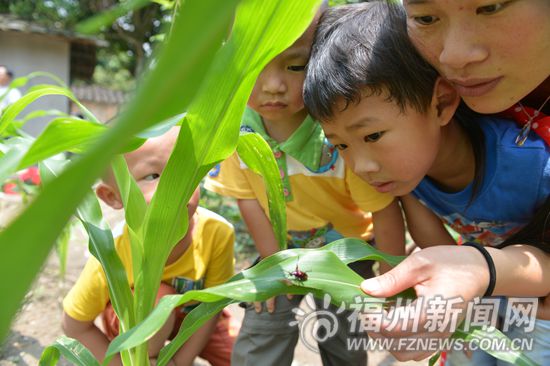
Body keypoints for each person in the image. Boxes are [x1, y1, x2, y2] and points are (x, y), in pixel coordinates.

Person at [302, 1, 550, 364]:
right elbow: (436, 249)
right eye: (340, 145)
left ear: (441, 103)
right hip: (488, 287)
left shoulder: (528, 165)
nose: (360, 166)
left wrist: (481, 275)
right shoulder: (408, 176)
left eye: (372, 136)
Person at [204, 4, 405, 366]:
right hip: (279, 250)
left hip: (347, 254)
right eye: (254, 64)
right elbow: (248, 200)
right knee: (261, 333)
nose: (273, 85)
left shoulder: (340, 132)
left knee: (345, 342)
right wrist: (273, 263)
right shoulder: (233, 133)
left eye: (295, 65)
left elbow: (382, 208)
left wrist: (391, 280)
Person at [62, 127, 236, 366]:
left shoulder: (217, 233)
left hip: (194, 318)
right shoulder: (111, 250)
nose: (175, 187)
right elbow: (74, 325)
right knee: (159, 301)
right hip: (135, 325)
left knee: (241, 356)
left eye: (184, 170)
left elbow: (211, 309)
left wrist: (179, 362)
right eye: (153, 176)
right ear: (113, 196)